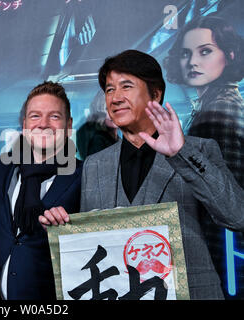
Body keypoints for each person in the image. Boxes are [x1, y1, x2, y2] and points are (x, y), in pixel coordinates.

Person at [40, 50, 244, 299]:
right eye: (109, 89)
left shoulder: (199, 150)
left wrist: (180, 152)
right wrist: (62, 225)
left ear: (155, 94)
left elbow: (237, 216)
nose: (115, 98)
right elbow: (92, 245)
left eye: (126, 86)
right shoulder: (94, 164)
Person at [0, 81, 82, 300]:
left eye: (54, 116)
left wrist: (72, 229)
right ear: (24, 125)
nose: (43, 124)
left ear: (68, 125)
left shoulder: (84, 176)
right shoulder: (4, 169)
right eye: (35, 116)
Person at [164, 15, 244, 298]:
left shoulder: (216, 112)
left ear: (230, 54)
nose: (193, 62)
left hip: (219, 257)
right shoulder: (215, 104)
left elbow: (224, 200)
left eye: (205, 51)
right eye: (186, 54)